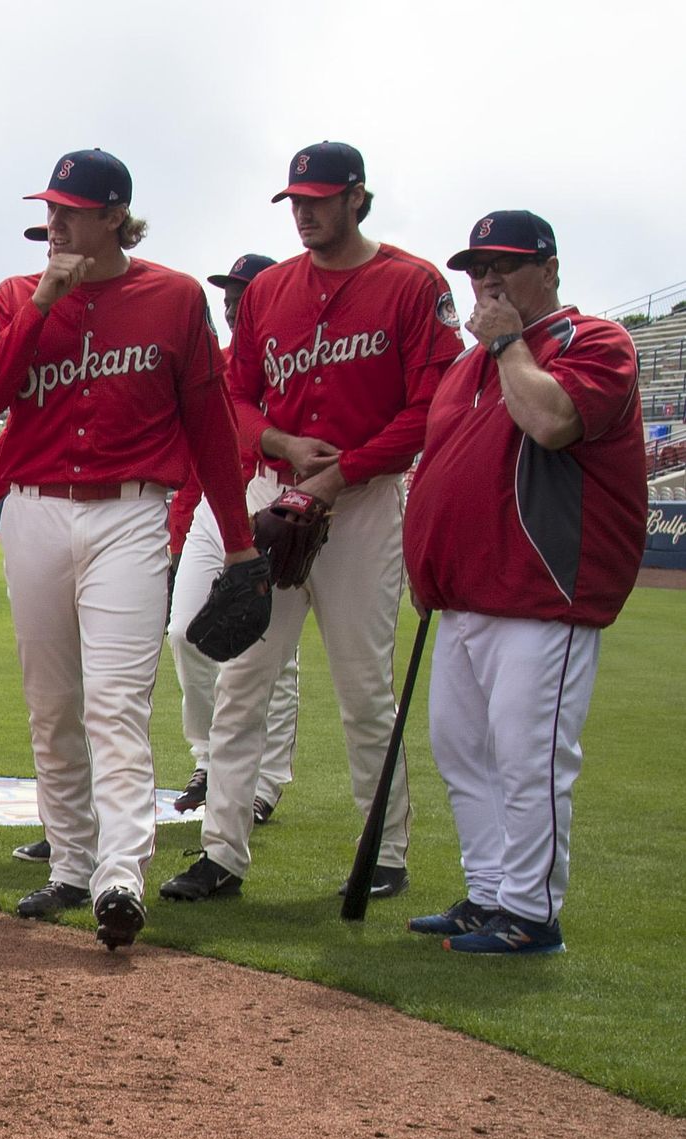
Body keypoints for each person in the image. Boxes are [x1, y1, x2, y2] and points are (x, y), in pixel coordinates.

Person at [0, 149, 259, 950]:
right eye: (49, 208)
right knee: (52, 704)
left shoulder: (177, 297)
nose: (52, 222)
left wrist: (239, 541)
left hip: (131, 513)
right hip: (35, 511)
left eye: (69, 210)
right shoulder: (16, 295)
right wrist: (40, 307)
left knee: (115, 703)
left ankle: (121, 874)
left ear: (114, 214)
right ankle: (71, 864)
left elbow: (211, 426)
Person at [175, 141, 463, 904]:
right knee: (243, 682)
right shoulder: (270, 289)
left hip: (362, 503)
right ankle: (222, 853)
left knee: (364, 688)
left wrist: (343, 470)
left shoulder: (412, 284)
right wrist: (276, 441)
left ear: (357, 199)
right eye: (295, 200)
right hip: (277, 493)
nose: (304, 211)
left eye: (320, 198)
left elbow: (431, 405)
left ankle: (387, 849)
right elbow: (232, 398)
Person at [405, 211, 647, 955]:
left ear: (549, 269)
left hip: (544, 595)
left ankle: (532, 915)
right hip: (466, 597)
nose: (487, 281)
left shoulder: (594, 342)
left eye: (504, 265)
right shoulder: (466, 366)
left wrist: (508, 342)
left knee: (528, 756)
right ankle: (487, 894)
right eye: (477, 268)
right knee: (461, 750)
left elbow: (552, 422)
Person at [163, 253, 305, 833]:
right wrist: (178, 534)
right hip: (217, 511)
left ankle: (264, 783)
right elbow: (198, 459)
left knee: (271, 657)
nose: (231, 302)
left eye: (244, 294)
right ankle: (207, 758)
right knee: (184, 633)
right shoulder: (218, 365)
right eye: (227, 294)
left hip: (279, 508)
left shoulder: (290, 365)